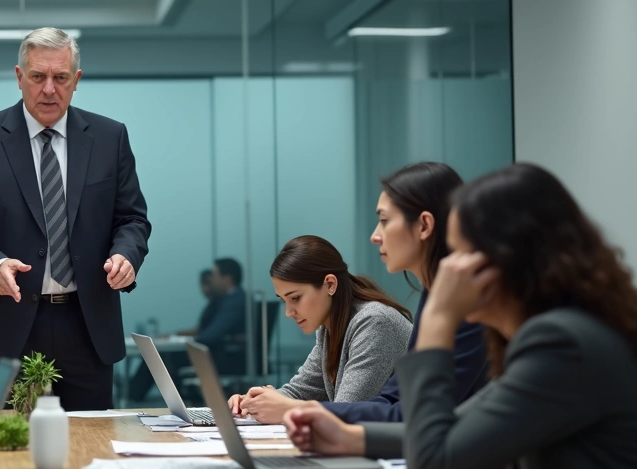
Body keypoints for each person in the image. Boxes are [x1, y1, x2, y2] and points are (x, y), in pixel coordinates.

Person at [284, 163, 637, 469]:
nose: (448, 267)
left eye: (459, 252)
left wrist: (439, 318)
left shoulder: (561, 344)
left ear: (504, 257)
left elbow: (432, 465)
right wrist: (352, 439)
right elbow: (459, 429)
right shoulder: (546, 335)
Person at [0, 27, 151, 410]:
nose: (49, 89)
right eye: (38, 77)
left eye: (60, 78)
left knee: (90, 449)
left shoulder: (109, 137)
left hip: (87, 325)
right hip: (8, 320)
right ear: (20, 78)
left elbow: (132, 219)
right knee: (7, 450)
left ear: (77, 81)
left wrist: (126, 255)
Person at [231, 163, 490, 424]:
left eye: (384, 221)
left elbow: (412, 417)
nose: (375, 237)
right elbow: (392, 401)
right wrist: (263, 403)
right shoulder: (433, 299)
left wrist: (292, 411)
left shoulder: (459, 309)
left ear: (424, 225)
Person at [228, 235, 411, 421]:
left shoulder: (375, 321)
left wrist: (284, 408)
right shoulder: (329, 328)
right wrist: (252, 403)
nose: (288, 312)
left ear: (330, 284)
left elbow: (345, 412)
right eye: (284, 300)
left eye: (295, 298)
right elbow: (300, 391)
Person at [128, 259, 245, 402]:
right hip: (217, 351)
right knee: (164, 355)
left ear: (227, 278)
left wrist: (185, 342)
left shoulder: (233, 302)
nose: (211, 280)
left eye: (214, 275)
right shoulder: (227, 300)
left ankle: (133, 397)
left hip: (222, 356)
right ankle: (136, 395)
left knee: (164, 357)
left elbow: (211, 335)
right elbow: (207, 330)